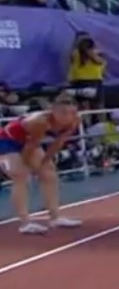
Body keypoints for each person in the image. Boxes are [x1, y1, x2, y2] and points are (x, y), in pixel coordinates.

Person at [0, 92, 86, 235]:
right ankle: (25, 222)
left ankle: (55, 217)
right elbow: (29, 148)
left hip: (28, 142)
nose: (67, 116)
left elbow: (58, 143)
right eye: (63, 113)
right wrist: (33, 167)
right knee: (21, 175)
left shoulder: (74, 120)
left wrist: (44, 164)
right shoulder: (40, 122)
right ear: (53, 111)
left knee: (49, 173)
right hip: (8, 140)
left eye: (71, 112)